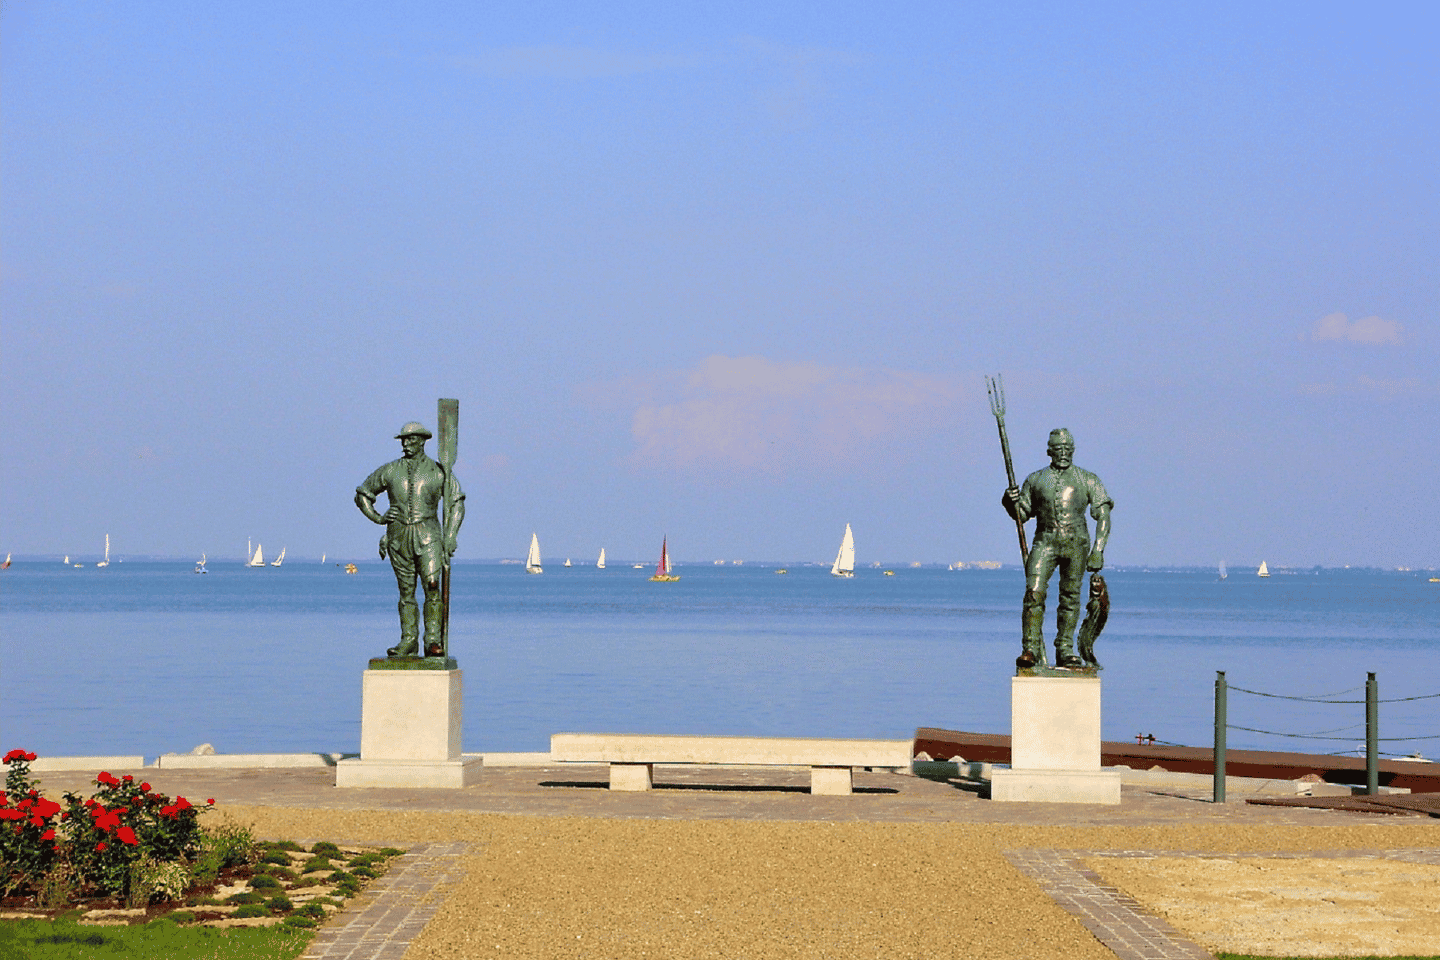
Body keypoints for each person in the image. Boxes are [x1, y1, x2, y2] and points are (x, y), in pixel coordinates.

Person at [1001, 428, 1112, 669]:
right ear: (1049, 451)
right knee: (1034, 592)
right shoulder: (1035, 479)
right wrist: (1009, 501)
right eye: (1058, 449)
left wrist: (1098, 549)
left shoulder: (1088, 479)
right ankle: (1030, 648)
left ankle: (1065, 649)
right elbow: (1022, 514)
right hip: (1045, 541)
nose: (1063, 453)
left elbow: (1103, 514)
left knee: (1071, 598)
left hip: (1077, 544)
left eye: (1068, 449)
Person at [355, 422, 464, 657]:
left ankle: (432, 640)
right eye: (403, 440)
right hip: (398, 537)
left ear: (422, 441)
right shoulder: (390, 470)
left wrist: (451, 536)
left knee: (432, 586)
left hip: (429, 536)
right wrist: (379, 518)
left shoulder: (440, 471)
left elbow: (456, 502)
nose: (406, 444)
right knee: (406, 591)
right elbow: (363, 494)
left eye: (411, 439)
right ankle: (408, 640)